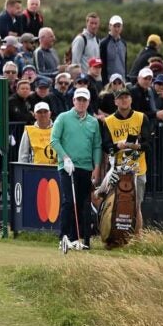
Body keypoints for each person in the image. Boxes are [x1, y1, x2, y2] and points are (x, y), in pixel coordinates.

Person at [50, 87, 102, 252]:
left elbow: (97, 146)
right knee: (68, 201)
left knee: (83, 204)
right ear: (73, 101)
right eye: (78, 100)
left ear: (88, 102)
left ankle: (80, 239)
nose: (81, 103)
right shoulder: (63, 118)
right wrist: (65, 157)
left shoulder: (93, 122)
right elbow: (54, 140)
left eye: (84, 100)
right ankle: (64, 238)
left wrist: (97, 167)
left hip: (86, 167)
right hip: (67, 166)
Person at [100, 88, 152, 234]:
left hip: (138, 169)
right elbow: (105, 146)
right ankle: (113, 236)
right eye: (120, 98)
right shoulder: (109, 121)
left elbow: (148, 145)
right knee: (113, 203)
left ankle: (137, 238)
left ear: (131, 100)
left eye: (126, 97)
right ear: (115, 101)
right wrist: (118, 146)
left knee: (136, 205)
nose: (124, 100)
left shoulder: (142, 118)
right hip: (116, 169)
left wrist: (137, 146)